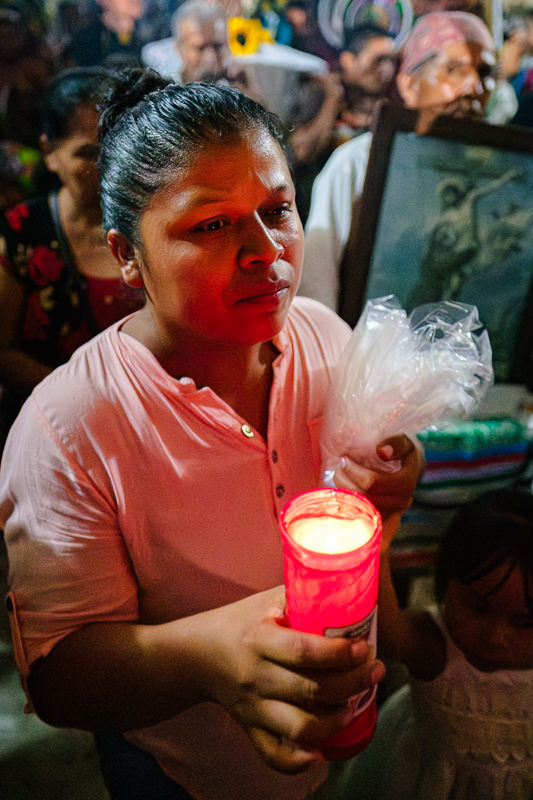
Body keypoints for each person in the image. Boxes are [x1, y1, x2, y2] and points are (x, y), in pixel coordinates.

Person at [0, 72, 423, 800]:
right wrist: (207, 657)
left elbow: (361, 505)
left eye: (277, 209)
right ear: (127, 255)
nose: (267, 251)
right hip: (175, 767)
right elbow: (64, 677)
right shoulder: (70, 424)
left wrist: (392, 477)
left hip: (329, 738)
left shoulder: (323, 337)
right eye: (211, 224)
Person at [321, 487, 533, 799]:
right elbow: (388, 634)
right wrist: (375, 551)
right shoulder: (436, 646)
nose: (497, 637)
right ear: (446, 583)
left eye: (526, 623)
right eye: (480, 608)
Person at [299, 10, 497, 313]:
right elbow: (317, 286)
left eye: (484, 73)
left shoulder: (497, 171)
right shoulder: (357, 164)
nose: (474, 87)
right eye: (454, 70)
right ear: (409, 83)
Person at [0, 66, 145, 446]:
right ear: (50, 153)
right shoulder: (21, 234)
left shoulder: (150, 226)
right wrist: (88, 400)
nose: (106, 168)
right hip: (50, 435)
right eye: (88, 154)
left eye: (114, 149)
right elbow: (4, 353)